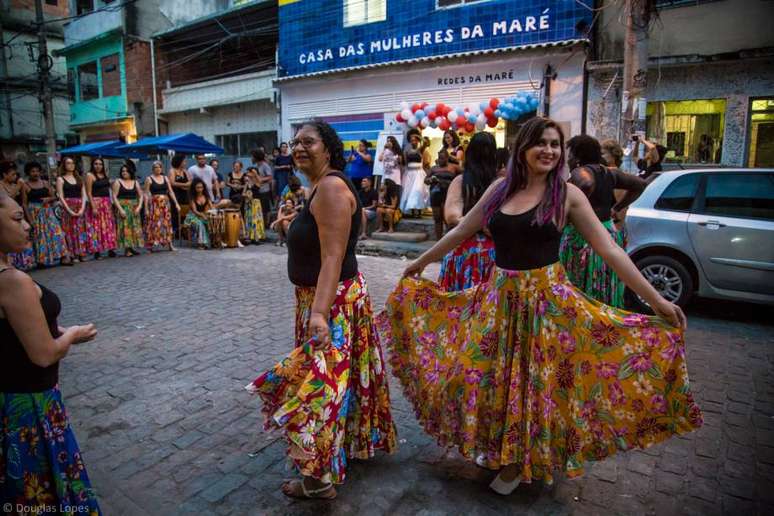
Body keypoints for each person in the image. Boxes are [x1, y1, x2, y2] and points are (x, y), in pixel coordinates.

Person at [380, 117, 701, 495]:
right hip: (498, 298)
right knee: (484, 376)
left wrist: (656, 299)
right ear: (523, 149)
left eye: (554, 144)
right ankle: (501, 447)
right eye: (541, 143)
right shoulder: (500, 190)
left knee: (532, 385)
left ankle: (518, 461)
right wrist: (421, 263)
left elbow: (610, 250)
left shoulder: (567, 194)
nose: (548, 150)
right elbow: (462, 229)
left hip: (546, 306)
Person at [246, 119, 396, 499]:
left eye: (308, 142)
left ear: (328, 149)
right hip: (335, 299)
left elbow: (332, 256)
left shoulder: (329, 187)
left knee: (318, 388)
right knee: (340, 381)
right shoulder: (323, 187)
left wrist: (318, 313)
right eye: (295, 142)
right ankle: (346, 447)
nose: (298, 147)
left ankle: (317, 480)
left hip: (331, 303)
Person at [0, 189, 102, 513]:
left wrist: (56, 331)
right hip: (31, 406)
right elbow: (43, 354)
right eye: (17, 218)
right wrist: (70, 335)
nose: (28, 225)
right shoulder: (11, 280)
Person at [560, 135, 647, 308]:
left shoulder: (579, 172)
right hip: (607, 232)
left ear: (577, 157)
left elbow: (585, 183)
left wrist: (573, 210)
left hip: (583, 239)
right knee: (602, 291)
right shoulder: (609, 172)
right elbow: (640, 184)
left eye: (570, 155)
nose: (568, 159)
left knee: (581, 294)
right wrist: (617, 207)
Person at [437, 131, 498, 291]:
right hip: (493, 256)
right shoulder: (501, 183)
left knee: (459, 310)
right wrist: (485, 225)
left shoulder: (461, 181)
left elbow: (452, 217)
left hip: (462, 253)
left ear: (469, 153)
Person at [21, 161, 72, 267]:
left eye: (37, 171)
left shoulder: (45, 183)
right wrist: (30, 219)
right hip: (35, 212)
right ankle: (41, 260)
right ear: (28, 173)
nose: (35, 173)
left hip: (48, 211)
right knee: (40, 236)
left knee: (57, 233)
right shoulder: (25, 185)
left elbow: (54, 197)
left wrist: (48, 199)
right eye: (32, 171)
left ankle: (63, 256)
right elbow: (24, 204)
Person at [56, 157, 98, 262]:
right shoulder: (60, 179)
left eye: (72, 163)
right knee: (70, 231)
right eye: (68, 163)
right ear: (64, 165)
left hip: (80, 206)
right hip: (68, 207)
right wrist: (69, 211)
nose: (71, 165)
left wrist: (82, 208)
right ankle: (72, 253)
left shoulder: (79, 178)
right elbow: (61, 196)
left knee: (81, 230)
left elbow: (84, 195)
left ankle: (82, 252)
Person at [1, 161, 35, 270]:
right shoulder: (0, 185)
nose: (15, 177)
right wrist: (19, 186)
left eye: (16, 174)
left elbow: (28, 194)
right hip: (7, 218)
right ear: (4, 175)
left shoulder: (16, 184)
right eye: (12, 175)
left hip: (19, 215)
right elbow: (7, 199)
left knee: (22, 236)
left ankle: (24, 262)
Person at [85, 158, 117, 260]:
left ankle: (110, 248)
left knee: (108, 226)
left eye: (100, 164)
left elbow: (110, 189)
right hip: (96, 202)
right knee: (96, 227)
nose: (98, 166)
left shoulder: (105, 175)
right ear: (92, 165)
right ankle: (97, 251)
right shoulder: (90, 175)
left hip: (106, 203)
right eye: (96, 164)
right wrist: (93, 206)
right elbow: (89, 192)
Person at [144, 160, 180, 252]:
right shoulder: (149, 179)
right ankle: (150, 245)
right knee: (154, 224)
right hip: (154, 205)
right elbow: (146, 194)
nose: (158, 169)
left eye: (159, 167)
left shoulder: (165, 178)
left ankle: (170, 244)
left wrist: (176, 203)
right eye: (156, 167)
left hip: (165, 205)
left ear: (161, 168)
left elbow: (171, 191)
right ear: (153, 169)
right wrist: (146, 208)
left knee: (167, 223)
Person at [112, 164, 144, 257]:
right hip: (123, 207)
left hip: (134, 208)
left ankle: (131, 247)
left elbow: (141, 195)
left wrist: (139, 207)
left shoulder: (135, 182)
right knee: (126, 228)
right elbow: (114, 197)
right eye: (122, 171)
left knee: (134, 227)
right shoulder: (118, 182)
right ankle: (127, 249)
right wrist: (120, 209)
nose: (124, 173)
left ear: (130, 172)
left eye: (126, 171)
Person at [425, 149, 456, 240]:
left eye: (442, 158)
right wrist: (430, 180)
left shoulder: (453, 167)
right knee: (437, 217)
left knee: (447, 217)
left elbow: (462, 175)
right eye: (439, 158)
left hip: (448, 194)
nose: (440, 160)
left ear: (447, 158)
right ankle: (438, 240)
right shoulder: (434, 168)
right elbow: (426, 180)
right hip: (435, 194)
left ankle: (449, 239)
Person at [400, 129, 430, 217]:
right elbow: (405, 163)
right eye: (412, 140)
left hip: (418, 174)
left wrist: (418, 136)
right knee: (409, 192)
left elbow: (425, 142)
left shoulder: (420, 150)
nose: (413, 142)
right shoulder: (406, 151)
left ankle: (419, 211)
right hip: (409, 174)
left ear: (417, 141)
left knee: (418, 192)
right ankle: (412, 212)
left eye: (415, 140)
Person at [183, 178, 212, 250]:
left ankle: (215, 241)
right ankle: (201, 243)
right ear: (194, 188)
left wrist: (212, 213)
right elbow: (194, 211)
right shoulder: (192, 198)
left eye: (201, 187)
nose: (200, 189)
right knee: (200, 223)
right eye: (198, 187)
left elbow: (212, 207)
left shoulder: (206, 197)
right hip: (192, 217)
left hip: (203, 215)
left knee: (211, 222)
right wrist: (202, 215)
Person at [168, 154, 190, 236]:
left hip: (185, 195)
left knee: (185, 213)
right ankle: (175, 230)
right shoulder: (172, 171)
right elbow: (172, 183)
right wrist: (184, 185)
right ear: (179, 162)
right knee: (175, 213)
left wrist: (185, 185)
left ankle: (183, 230)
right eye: (184, 161)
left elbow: (190, 181)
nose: (185, 163)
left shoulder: (185, 171)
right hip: (175, 195)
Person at [243, 166, 266, 244]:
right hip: (249, 203)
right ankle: (250, 236)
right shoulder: (247, 183)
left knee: (256, 220)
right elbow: (243, 193)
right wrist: (247, 195)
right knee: (249, 219)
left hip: (256, 203)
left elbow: (260, 181)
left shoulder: (257, 181)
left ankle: (257, 237)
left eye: (249, 172)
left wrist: (255, 174)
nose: (247, 174)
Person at [250, 149, 274, 224]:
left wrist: (259, 179)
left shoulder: (265, 165)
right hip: (258, 190)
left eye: (252, 156)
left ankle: (266, 224)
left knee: (265, 209)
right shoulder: (257, 165)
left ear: (256, 157)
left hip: (264, 190)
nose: (251, 158)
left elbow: (270, 177)